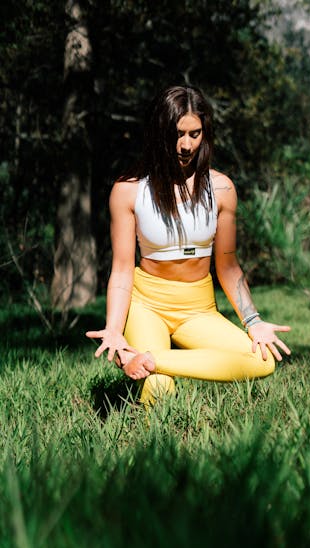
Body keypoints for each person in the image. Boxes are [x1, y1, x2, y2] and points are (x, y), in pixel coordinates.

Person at [86, 84, 290, 405]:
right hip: (148, 304)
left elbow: (228, 266)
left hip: (198, 309)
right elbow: (123, 269)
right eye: (177, 134)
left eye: (195, 134)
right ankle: (148, 368)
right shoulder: (128, 190)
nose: (186, 145)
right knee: (160, 392)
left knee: (262, 360)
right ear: (159, 133)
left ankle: (149, 360)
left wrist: (254, 322)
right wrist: (114, 329)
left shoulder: (221, 188)